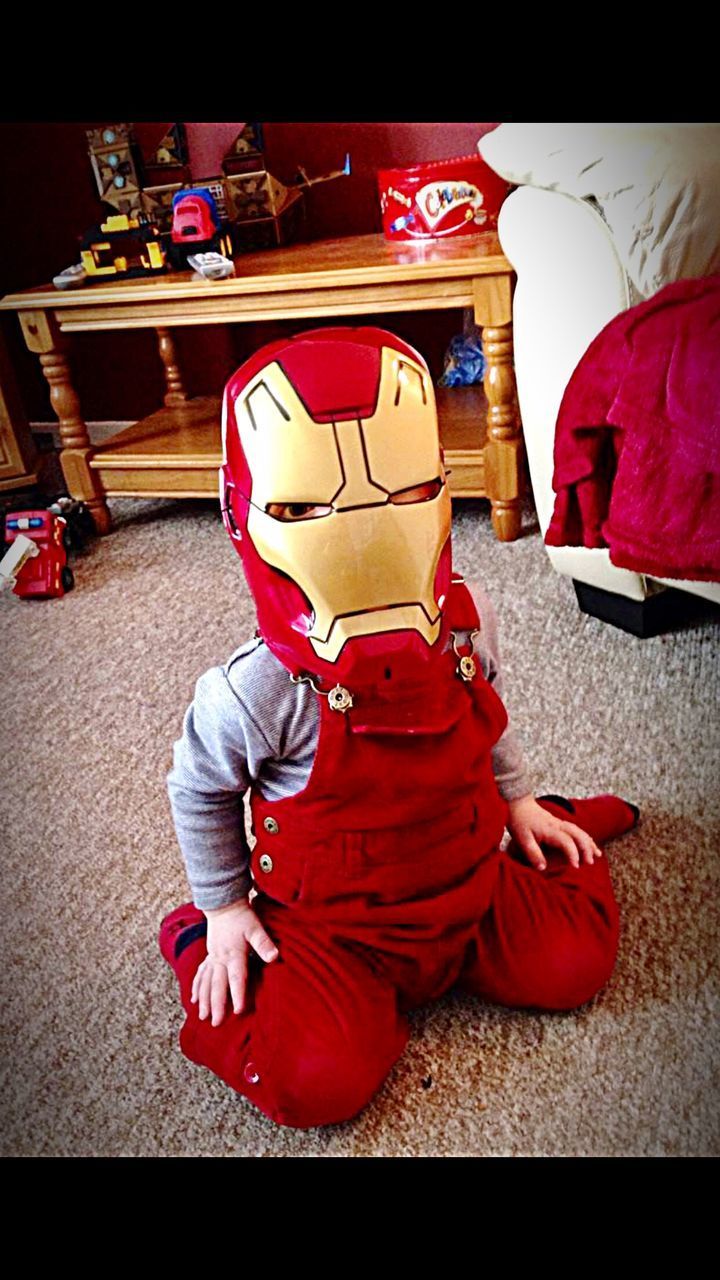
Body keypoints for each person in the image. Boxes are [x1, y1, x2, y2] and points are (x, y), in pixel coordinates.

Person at [159, 326, 639, 1130]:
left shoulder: (463, 626)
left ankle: (552, 811)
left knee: (576, 963)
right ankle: (183, 941)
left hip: (467, 885)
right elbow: (197, 787)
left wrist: (519, 801)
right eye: (304, 507)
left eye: (406, 491)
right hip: (331, 931)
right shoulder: (258, 689)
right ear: (239, 511)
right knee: (312, 1081)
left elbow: (485, 716)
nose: (359, 533)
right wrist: (222, 909)